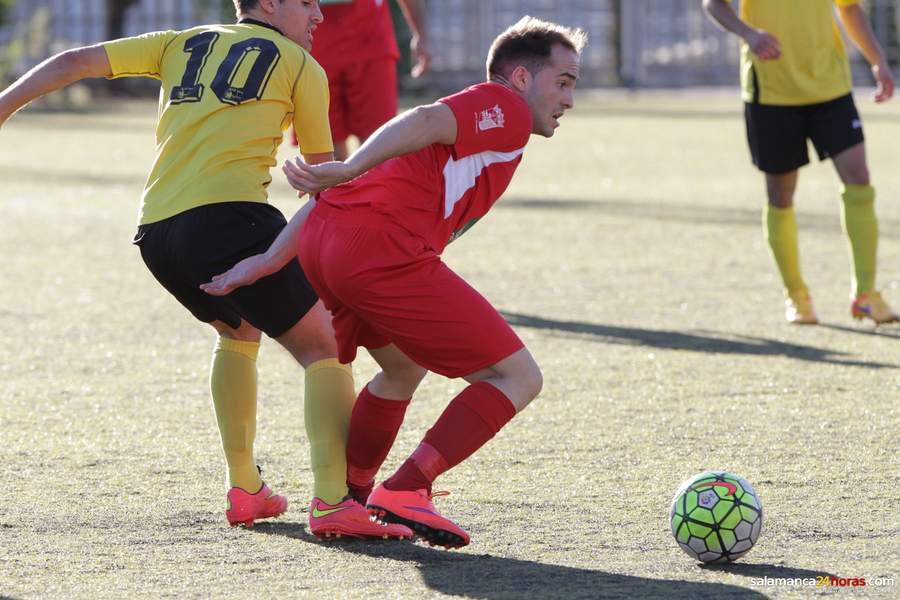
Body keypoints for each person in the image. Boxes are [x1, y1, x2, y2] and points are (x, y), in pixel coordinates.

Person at [0, 0, 412, 540]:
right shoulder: (300, 64)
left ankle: (246, 489)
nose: (318, 14)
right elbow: (322, 179)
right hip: (231, 219)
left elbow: (75, 60)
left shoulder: (179, 41)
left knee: (237, 331)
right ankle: (333, 501)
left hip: (158, 233)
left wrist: (4, 106)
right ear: (269, 4)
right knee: (324, 348)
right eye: (307, 2)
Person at [202, 15, 587, 548]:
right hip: (377, 250)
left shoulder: (480, 130)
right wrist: (346, 165)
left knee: (403, 367)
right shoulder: (504, 111)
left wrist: (269, 259)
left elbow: (348, 191)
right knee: (518, 377)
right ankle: (407, 489)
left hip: (329, 242)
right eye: (563, 82)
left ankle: (350, 497)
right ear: (520, 79)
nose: (569, 99)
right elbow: (427, 117)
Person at [703, 0, 898, 325]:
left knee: (859, 176)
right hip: (771, 87)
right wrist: (748, 34)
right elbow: (713, 4)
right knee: (780, 195)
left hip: (829, 84)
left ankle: (866, 294)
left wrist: (877, 59)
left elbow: (849, 9)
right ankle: (796, 296)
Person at [291, 0, 431, 159]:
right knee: (323, 151)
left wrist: (421, 34)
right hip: (314, 46)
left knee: (378, 146)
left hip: (370, 43)